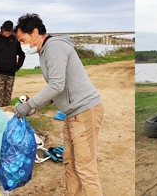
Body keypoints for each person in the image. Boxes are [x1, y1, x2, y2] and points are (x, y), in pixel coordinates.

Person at [14, 13, 104, 196]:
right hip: (72, 114)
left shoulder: (54, 48)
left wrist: (28, 104)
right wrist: (33, 107)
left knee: (85, 168)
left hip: (85, 111)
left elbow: (56, 84)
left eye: (23, 39)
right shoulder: (45, 51)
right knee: (70, 164)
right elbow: (55, 90)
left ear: (35, 32)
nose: (22, 44)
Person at [0, 20, 25, 108]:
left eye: (9, 31)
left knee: (7, 98)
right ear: (2, 29)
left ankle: (5, 117)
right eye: (5, 31)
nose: (7, 33)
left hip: (11, 73)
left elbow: (22, 54)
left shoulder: (15, 39)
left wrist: (18, 66)